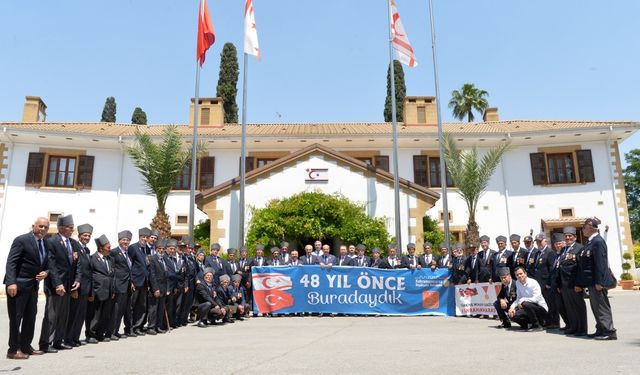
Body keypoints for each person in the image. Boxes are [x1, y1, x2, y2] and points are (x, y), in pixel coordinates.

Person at [4, 217, 50, 359]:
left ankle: (25, 346)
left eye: (45, 227)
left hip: (33, 287)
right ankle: (13, 349)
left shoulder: (45, 243)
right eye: (40, 226)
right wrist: (11, 282)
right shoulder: (21, 240)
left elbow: (47, 263)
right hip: (18, 285)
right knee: (16, 318)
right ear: (33, 226)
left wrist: (46, 273)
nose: (42, 229)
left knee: (30, 317)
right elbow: (11, 262)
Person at [40, 214, 80, 353]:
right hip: (55, 286)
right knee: (52, 315)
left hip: (69, 285)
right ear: (61, 228)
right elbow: (51, 264)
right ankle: (46, 343)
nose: (72, 230)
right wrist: (57, 283)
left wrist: (77, 280)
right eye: (70, 228)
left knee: (63, 315)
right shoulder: (51, 241)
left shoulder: (74, 243)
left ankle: (58, 341)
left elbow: (78, 264)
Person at [576, 217, 617, 340]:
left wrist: (600, 282)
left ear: (590, 228)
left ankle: (609, 331)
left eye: (583, 228)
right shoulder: (590, 242)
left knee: (601, 307)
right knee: (595, 307)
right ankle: (600, 329)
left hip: (597, 282)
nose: (582, 230)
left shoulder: (598, 241)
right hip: (591, 281)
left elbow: (601, 263)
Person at [65, 223, 93, 347]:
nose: (87, 237)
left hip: (85, 289)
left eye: (89, 235)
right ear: (80, 235)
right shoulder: (75, 246)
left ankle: (75, 338)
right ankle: (68, 338)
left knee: (80, 316)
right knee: (73, 316)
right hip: (77, 288)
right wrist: (73, 289)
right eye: (85, 235)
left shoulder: (87, 249)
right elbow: (75, 268)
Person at [557, 226, 587, 336]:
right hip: (565, 284)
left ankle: (582, 329)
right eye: (566, 236)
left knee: (578, 307)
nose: (568, 238)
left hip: (574, 283)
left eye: (570, 236)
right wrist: (559, 284)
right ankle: (574, 327)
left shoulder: (580, 248)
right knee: (569, 308)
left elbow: (580, 267)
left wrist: (579, 284)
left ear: (575, 237)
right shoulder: (564, 249)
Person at [87, 235, 114, 344]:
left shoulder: (110, 259)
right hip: (97, 291)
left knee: (104, 314)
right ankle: (91, 334)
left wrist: (112, 290)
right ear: (101, 248)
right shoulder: (93, 258)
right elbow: (91, 276)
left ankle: (100, 333)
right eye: (108, 247)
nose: (110, 249)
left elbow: (112, 275)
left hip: (108, 291)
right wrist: (91, 292)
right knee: (95, 315)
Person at [109, 230, 133, 339]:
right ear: (119, 241)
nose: (126, 242)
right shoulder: (114, 252)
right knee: (116, 310)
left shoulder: (129, 253)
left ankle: (117, 331)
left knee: (123, 309)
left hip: (127, 285)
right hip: (118, 284)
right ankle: (112, 332)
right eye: (123, 240)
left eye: (127, 240)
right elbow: (112, 269)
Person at [508, 267, 548, 331]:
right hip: (528, 308)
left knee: (525, 304)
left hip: (541, 309)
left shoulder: (533, 282)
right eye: (517, 275)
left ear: (525, 273)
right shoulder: (518, 283)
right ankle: (527, 325)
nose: (519, 276)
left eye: (521, 273)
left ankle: (537, 326)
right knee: (512, 315)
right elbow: (518, 298)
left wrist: (523, 299)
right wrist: (512, 308)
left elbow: (536, 298)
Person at [128, 227, 151, 336]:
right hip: (135, 281)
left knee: (142, 306)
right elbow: (130, 264)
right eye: (143, 237)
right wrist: (131, 280)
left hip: (145, 283)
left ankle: (138, 326)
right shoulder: (133, 248)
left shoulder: (148, 249)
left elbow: (148, 265)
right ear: (139, 237)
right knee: (132, 306)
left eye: (147, 237)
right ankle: (130, 328)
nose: (145, 239)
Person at [534, 234, 557, 329]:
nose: (539, 243)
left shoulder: (550, 252)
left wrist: (549, 283)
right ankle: (547, 321)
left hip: (546, 284)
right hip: (539, 284)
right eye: (537, 241)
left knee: (550, 303)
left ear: (545, 241)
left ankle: (555, 322)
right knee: (543, 304)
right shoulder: (537, 253)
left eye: (540, 241)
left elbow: (552, 269)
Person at [146, 239, 167, 335]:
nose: (161, 250)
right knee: (153, 309)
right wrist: (156, 288)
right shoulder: (152, 259)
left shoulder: (164, 259)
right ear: (156, 249)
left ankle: (158, 326)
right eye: (159, 248)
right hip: (156, 288)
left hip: (163, 288)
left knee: (160, 308)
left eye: (163, 249)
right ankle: (151, 327)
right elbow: (152, 275)